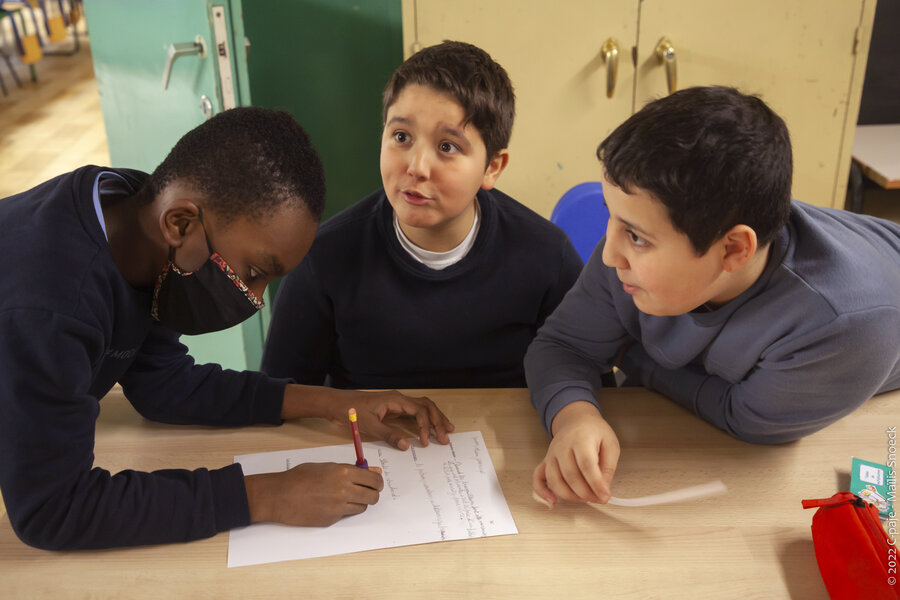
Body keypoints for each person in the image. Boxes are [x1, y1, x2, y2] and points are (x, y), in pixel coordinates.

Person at [0, 107, 453, 551]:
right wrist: (264, 495)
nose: (255, 298)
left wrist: (335, 403)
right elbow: (54, 509)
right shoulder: (51, 306)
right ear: (180, 223)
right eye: (254, 271)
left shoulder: (133, 215)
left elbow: (163, 385)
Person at [526, 86, 900, 507]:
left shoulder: (848, 324)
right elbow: (562, 345)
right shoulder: (635, 247)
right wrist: (574, 416)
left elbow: (750, 418)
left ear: (734, 250)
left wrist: (632, 357)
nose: (609, 253)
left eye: (636, 236)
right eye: (612, 219)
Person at [260, 41, 583, 389]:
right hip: (368, 439)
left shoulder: (546, 255)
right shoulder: (323, 258)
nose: (416, 167)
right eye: (401, 136)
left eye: (447, 147)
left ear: (492, 167)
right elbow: (282, 395)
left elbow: (584, 383)